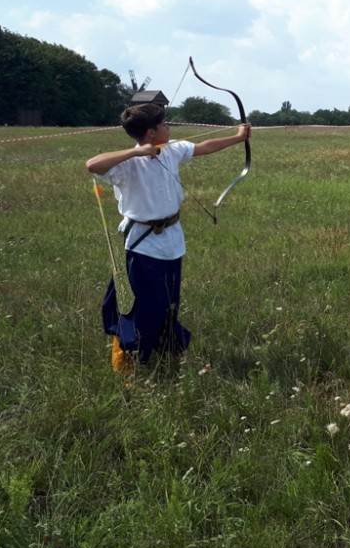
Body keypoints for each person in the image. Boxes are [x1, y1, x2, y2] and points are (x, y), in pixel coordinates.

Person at [86, 103, 251, 373]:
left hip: (171, 240)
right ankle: (126, 365)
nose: (168, 127)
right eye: (164, 124)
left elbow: (205, 146)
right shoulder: (127, 164)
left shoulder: (173, 150)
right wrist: (136, 152)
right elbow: (92, 164)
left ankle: (165, 357)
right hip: (137, 242)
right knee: (133, 306)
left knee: (167, 304)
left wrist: (238, 137)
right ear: (151, 132)